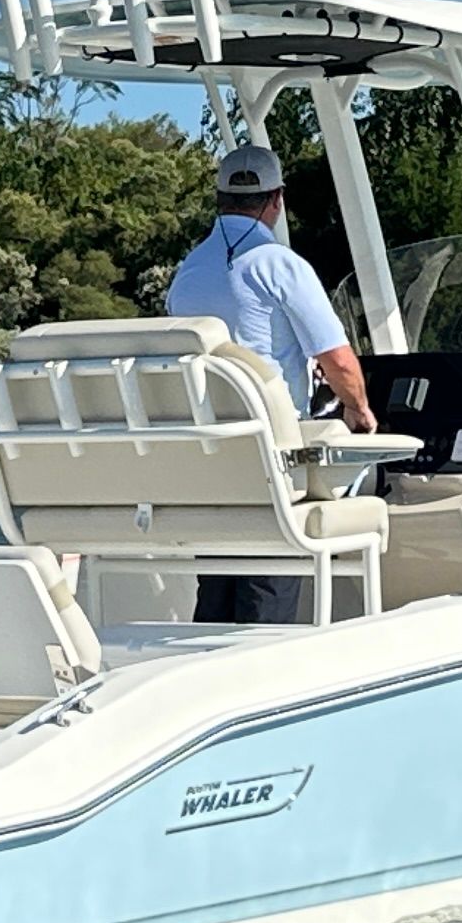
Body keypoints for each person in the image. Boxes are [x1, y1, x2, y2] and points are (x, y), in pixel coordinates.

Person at [165, 142, 374, 623]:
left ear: (218, 198)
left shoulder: (188, 271)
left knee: (218, 588)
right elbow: (339, 362)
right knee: (268, 579)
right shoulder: (281, 265)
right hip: (273, 462)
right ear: (276, 200)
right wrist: (359, 411)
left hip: (212, 461)